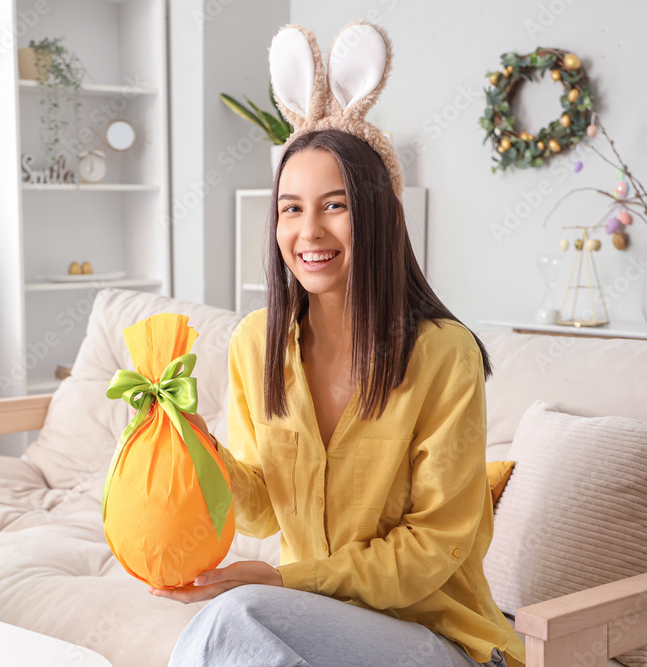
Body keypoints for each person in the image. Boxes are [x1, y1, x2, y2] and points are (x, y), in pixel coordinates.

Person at [150, 128, 526, 667]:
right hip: (314, 624)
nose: (309, 231)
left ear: (378, 217)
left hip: (437, 637)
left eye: (334, 206)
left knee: (237, 618)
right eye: (290, 209)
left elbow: (435, 546)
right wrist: (194, 442)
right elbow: (258, 513)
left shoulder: (444, 354)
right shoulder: (257, 342)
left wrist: (284, 580)